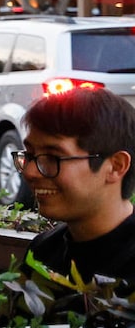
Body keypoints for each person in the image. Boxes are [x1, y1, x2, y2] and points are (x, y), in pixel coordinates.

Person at [16, 84, 135, 284]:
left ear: (116, 166)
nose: (30, 172)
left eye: (53, 157)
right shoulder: (43, 251)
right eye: (29, 155)